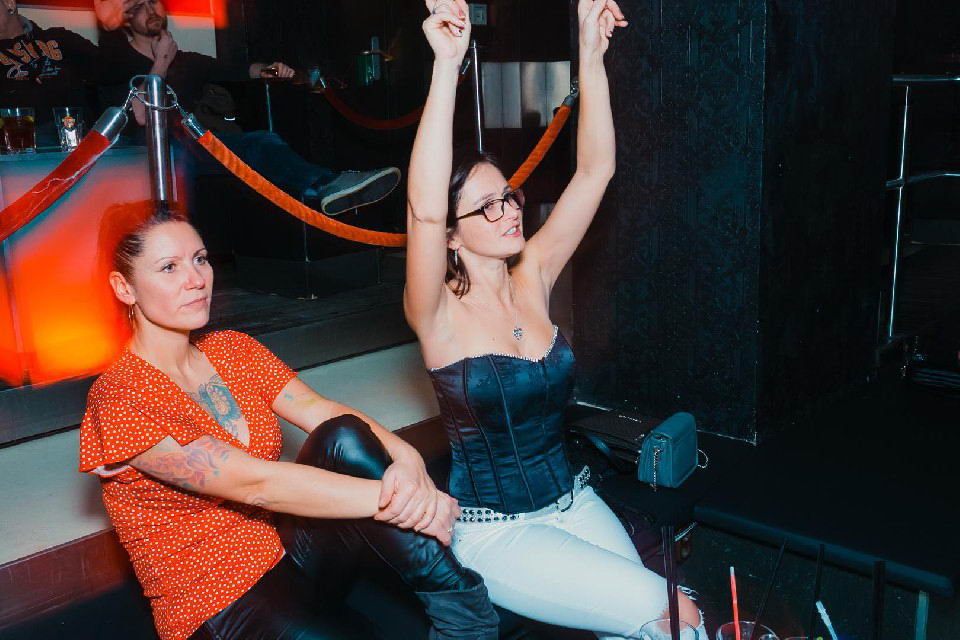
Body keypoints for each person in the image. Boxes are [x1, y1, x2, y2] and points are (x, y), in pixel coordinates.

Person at [403, 1, 708, 638]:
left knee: (653, 627)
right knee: (676, 614)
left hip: (573, 500)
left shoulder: (534, 275)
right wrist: (446, 66)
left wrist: (591, 52)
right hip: (498, 533)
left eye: (508, 196)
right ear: (452, 236)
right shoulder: (436, 314)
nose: (509, 211)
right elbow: (425, 209)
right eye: (486, 208)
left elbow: (596, 171)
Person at [79, 202, 499, 640]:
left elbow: (322, 410)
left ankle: (464, 615)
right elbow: (256, 484)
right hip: (218, 603)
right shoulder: (120, 398)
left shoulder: (230, 349)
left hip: (286, 553)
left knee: (343, 435)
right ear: (124, 287)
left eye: (200, 259)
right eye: (169, 267)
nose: (196, 279)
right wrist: (412, 503)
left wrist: (408, 457)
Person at [96, 0, 399, 216]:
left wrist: (271, 69)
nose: (151, 10)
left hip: (194, 145)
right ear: (127, 19)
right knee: (180, 148)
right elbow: (141, 115)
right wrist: (161, 61)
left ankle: (327, 185)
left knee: (261, 142)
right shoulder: (116, 61)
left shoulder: (188, 61)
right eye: (140, 6)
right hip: (146, 153)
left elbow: (240, 69)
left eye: (154, 2)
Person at [0, 0, 100, 146]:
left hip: (79, 142)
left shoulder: (60, 39)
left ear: (9, 3)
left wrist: (110, 28)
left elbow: (113, 70)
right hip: (21, 148)